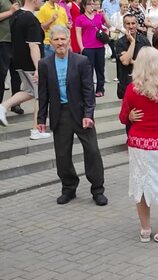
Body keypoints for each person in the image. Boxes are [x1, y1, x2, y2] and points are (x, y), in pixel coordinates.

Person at [37, 25, 107, 206]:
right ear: (50, 42)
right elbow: (43, 93)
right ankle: (68, 188)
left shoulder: (81, 61)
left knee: (92, 151)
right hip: (60, 114)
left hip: (81, 113)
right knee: (62, 154)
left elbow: (88, 90)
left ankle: (97, 189)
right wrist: (41, 118)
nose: (60, 43)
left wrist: (89, 114)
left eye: (63, 39)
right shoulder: (44, 64)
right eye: (56, 39)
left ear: (69, 40)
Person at [119, 47, 158, 243]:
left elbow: (123, 118)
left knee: (141, 185)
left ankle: (145, 228)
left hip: (139, 145)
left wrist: (130, 116)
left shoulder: (132, 89)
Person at [0, 0, 52, 140]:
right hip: (30, 63)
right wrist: (38, 67)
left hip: (19, 61)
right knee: (40, 95)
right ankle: (36, 130)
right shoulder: (31, 19)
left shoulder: (17, 15)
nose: (42, 2)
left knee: (29, 91)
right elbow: (33, 46)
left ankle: (3, 106)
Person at [75, 0, 111, 98]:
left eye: (93, 4)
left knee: (100, 69)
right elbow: (78, 33)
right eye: (89, 4)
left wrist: (104, 15)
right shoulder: (80, 18)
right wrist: (81, 47)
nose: (92, 6)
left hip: (99, 46)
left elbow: (109, 24)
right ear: (84, 6)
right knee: (88, 70)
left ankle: (100, 89)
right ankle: (88, 90)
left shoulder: (98, 16)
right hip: (88, 47)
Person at [115, 13, 150, 101]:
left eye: (133, 23)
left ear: (137, 24)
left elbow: (150, 63)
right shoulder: (120, 43)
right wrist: (133, 42)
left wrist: (133, 61)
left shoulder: (144, 41)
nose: (131, 26)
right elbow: (126, 61)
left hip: (142, 82)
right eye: (128, 24)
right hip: (126, 82)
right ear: (124, 25)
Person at [0, 0, 23, 115]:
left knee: (17, 74)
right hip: (3, 41)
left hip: (17, 42)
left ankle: (15, 104)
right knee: (1, 74)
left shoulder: (18, 1)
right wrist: (10, 12)